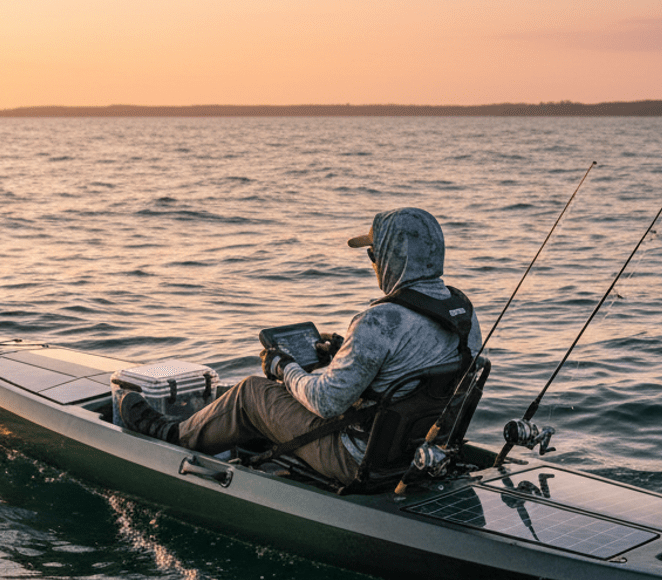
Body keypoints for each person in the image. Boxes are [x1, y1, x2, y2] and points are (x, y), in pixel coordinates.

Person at [118, 206, 483, 485]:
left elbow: (327, 402)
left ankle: (173, 434)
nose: (372, 264)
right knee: (282, 390)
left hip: (355, 457)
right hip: (418, 450)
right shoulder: (462, 312)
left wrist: (283, 367)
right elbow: (409, 370)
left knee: (250, 392)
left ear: (391, 258)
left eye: (374, 254)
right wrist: (344, 349)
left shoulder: (378, 321)